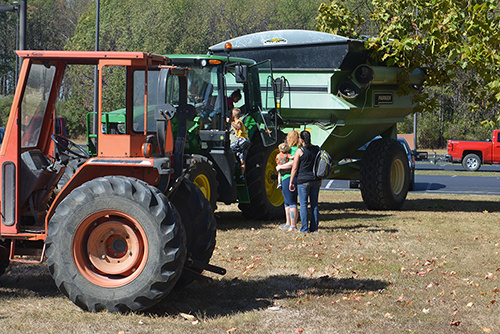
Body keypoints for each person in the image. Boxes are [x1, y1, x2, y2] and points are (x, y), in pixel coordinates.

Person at [289, 130, 321, 233]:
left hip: (303, 180)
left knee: (303, 204)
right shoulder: (317, 149)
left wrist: (291, 182)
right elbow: (320, 166)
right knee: (314, 204)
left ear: (301, 140)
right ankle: (314, 228)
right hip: (315, 179)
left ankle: (304, 228)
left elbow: (294, 168)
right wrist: (321, 179)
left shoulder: (300, 151)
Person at [276, 130, 301, 231]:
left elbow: (293, 164)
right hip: (284, 178)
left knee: (292, 202)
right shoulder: (289, 150)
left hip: (289, 177)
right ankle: (288, 223)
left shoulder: (295, 150)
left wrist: (280, 167)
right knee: (286, 202)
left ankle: (293, 225)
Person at [229, 107, 251, 179]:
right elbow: (244, 128)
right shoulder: (241, 122)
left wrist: (230, 122)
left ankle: (235, 161)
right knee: (242, 159)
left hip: (242, 140)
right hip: (247, 141)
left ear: (233, 116)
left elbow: (238, 127)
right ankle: (241, 175)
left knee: (230, 148)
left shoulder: (238, 121)